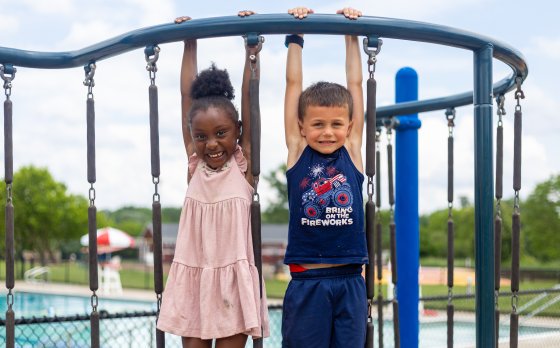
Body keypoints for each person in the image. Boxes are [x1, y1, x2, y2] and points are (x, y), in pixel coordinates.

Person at [157, 12, 269, 348]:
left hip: (233, 284)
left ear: (237, 131)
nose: (212, 143)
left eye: (221, 133)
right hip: (195, 279)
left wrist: (252, 54)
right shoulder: (195, 164)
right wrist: (189, 42)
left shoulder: (243, 164)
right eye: (202, 136)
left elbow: (252, 103)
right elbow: (185, 99)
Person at [282, 6, 368, 347]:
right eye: (318, 124)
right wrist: (296, 39)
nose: (328, 132)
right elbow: (293, 85)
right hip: (308, 282)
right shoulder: (298, 151)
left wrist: (351, 36)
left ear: (349, 126)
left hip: (350, 282)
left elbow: (355, 84)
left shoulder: (354, 152)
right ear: (302, 127)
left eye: (336, 124)